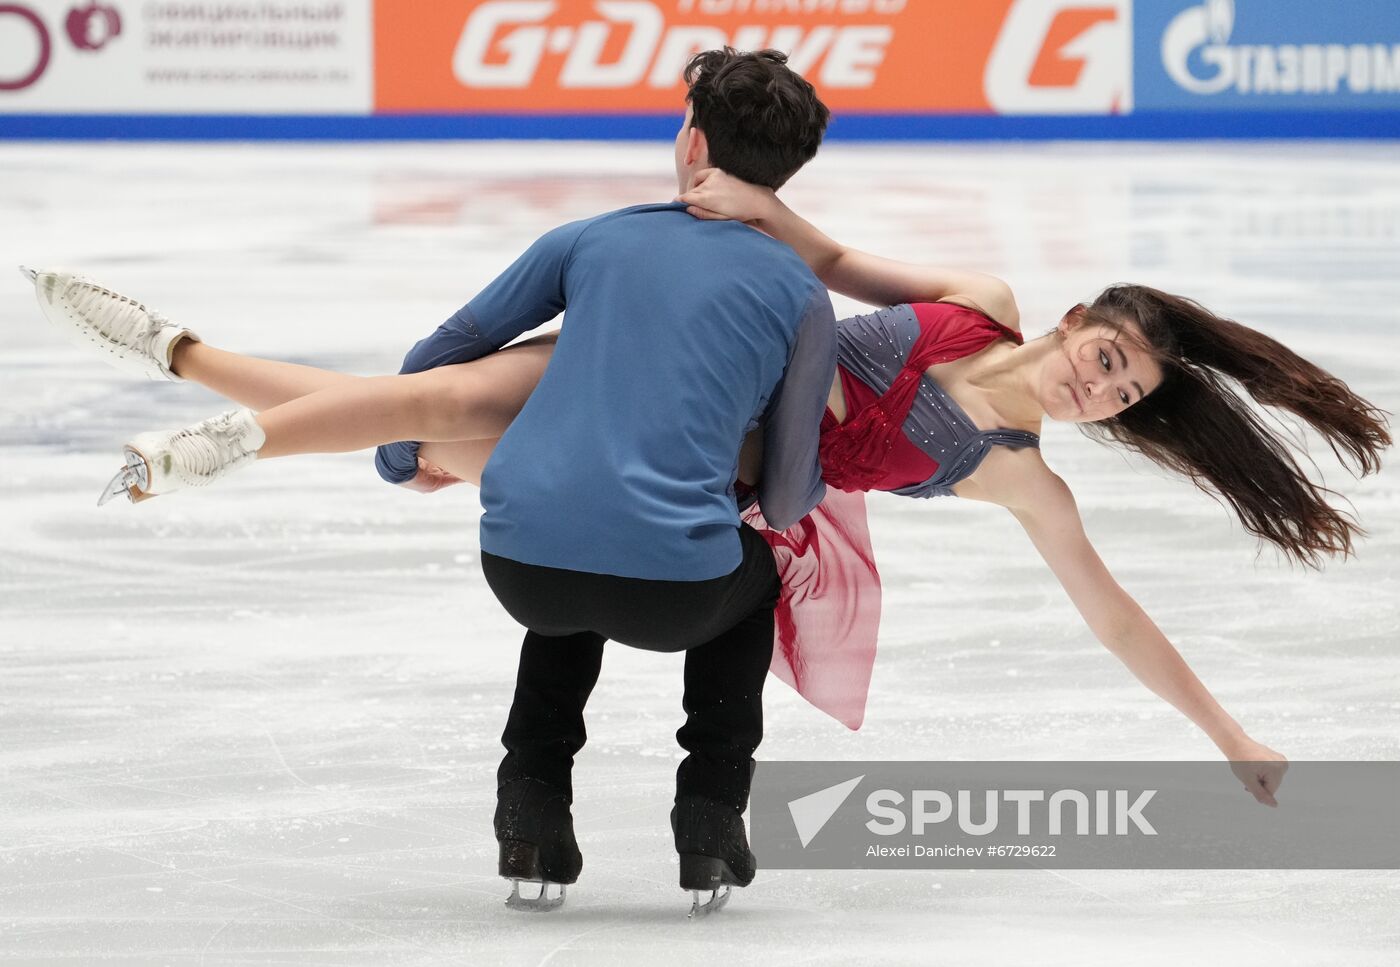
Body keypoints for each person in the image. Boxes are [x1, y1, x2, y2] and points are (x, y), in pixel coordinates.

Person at [28, 148, 1387, 826]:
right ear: (1079, 315)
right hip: (681, 362)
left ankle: (179, 355)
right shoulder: (976, 305)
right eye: (1107, 357)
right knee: (440, 412)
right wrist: (760, 209)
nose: (1101, 388)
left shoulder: (1019, 478)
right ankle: (198, 388)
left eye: (1127, 394)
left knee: (439, 435)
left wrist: (1229, 732)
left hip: (683, 467)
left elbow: (1115, 614)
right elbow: (839, 263)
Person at [25, 49, 833, 914]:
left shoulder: (593, 238)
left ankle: (530, 814)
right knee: (753, 580)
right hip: (674, 593)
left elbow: (431, 365)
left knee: (568, 569)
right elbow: (787, 497)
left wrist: (406, 455)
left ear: (692, 142)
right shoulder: (801, 296)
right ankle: (709, 818)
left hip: (524, 566)